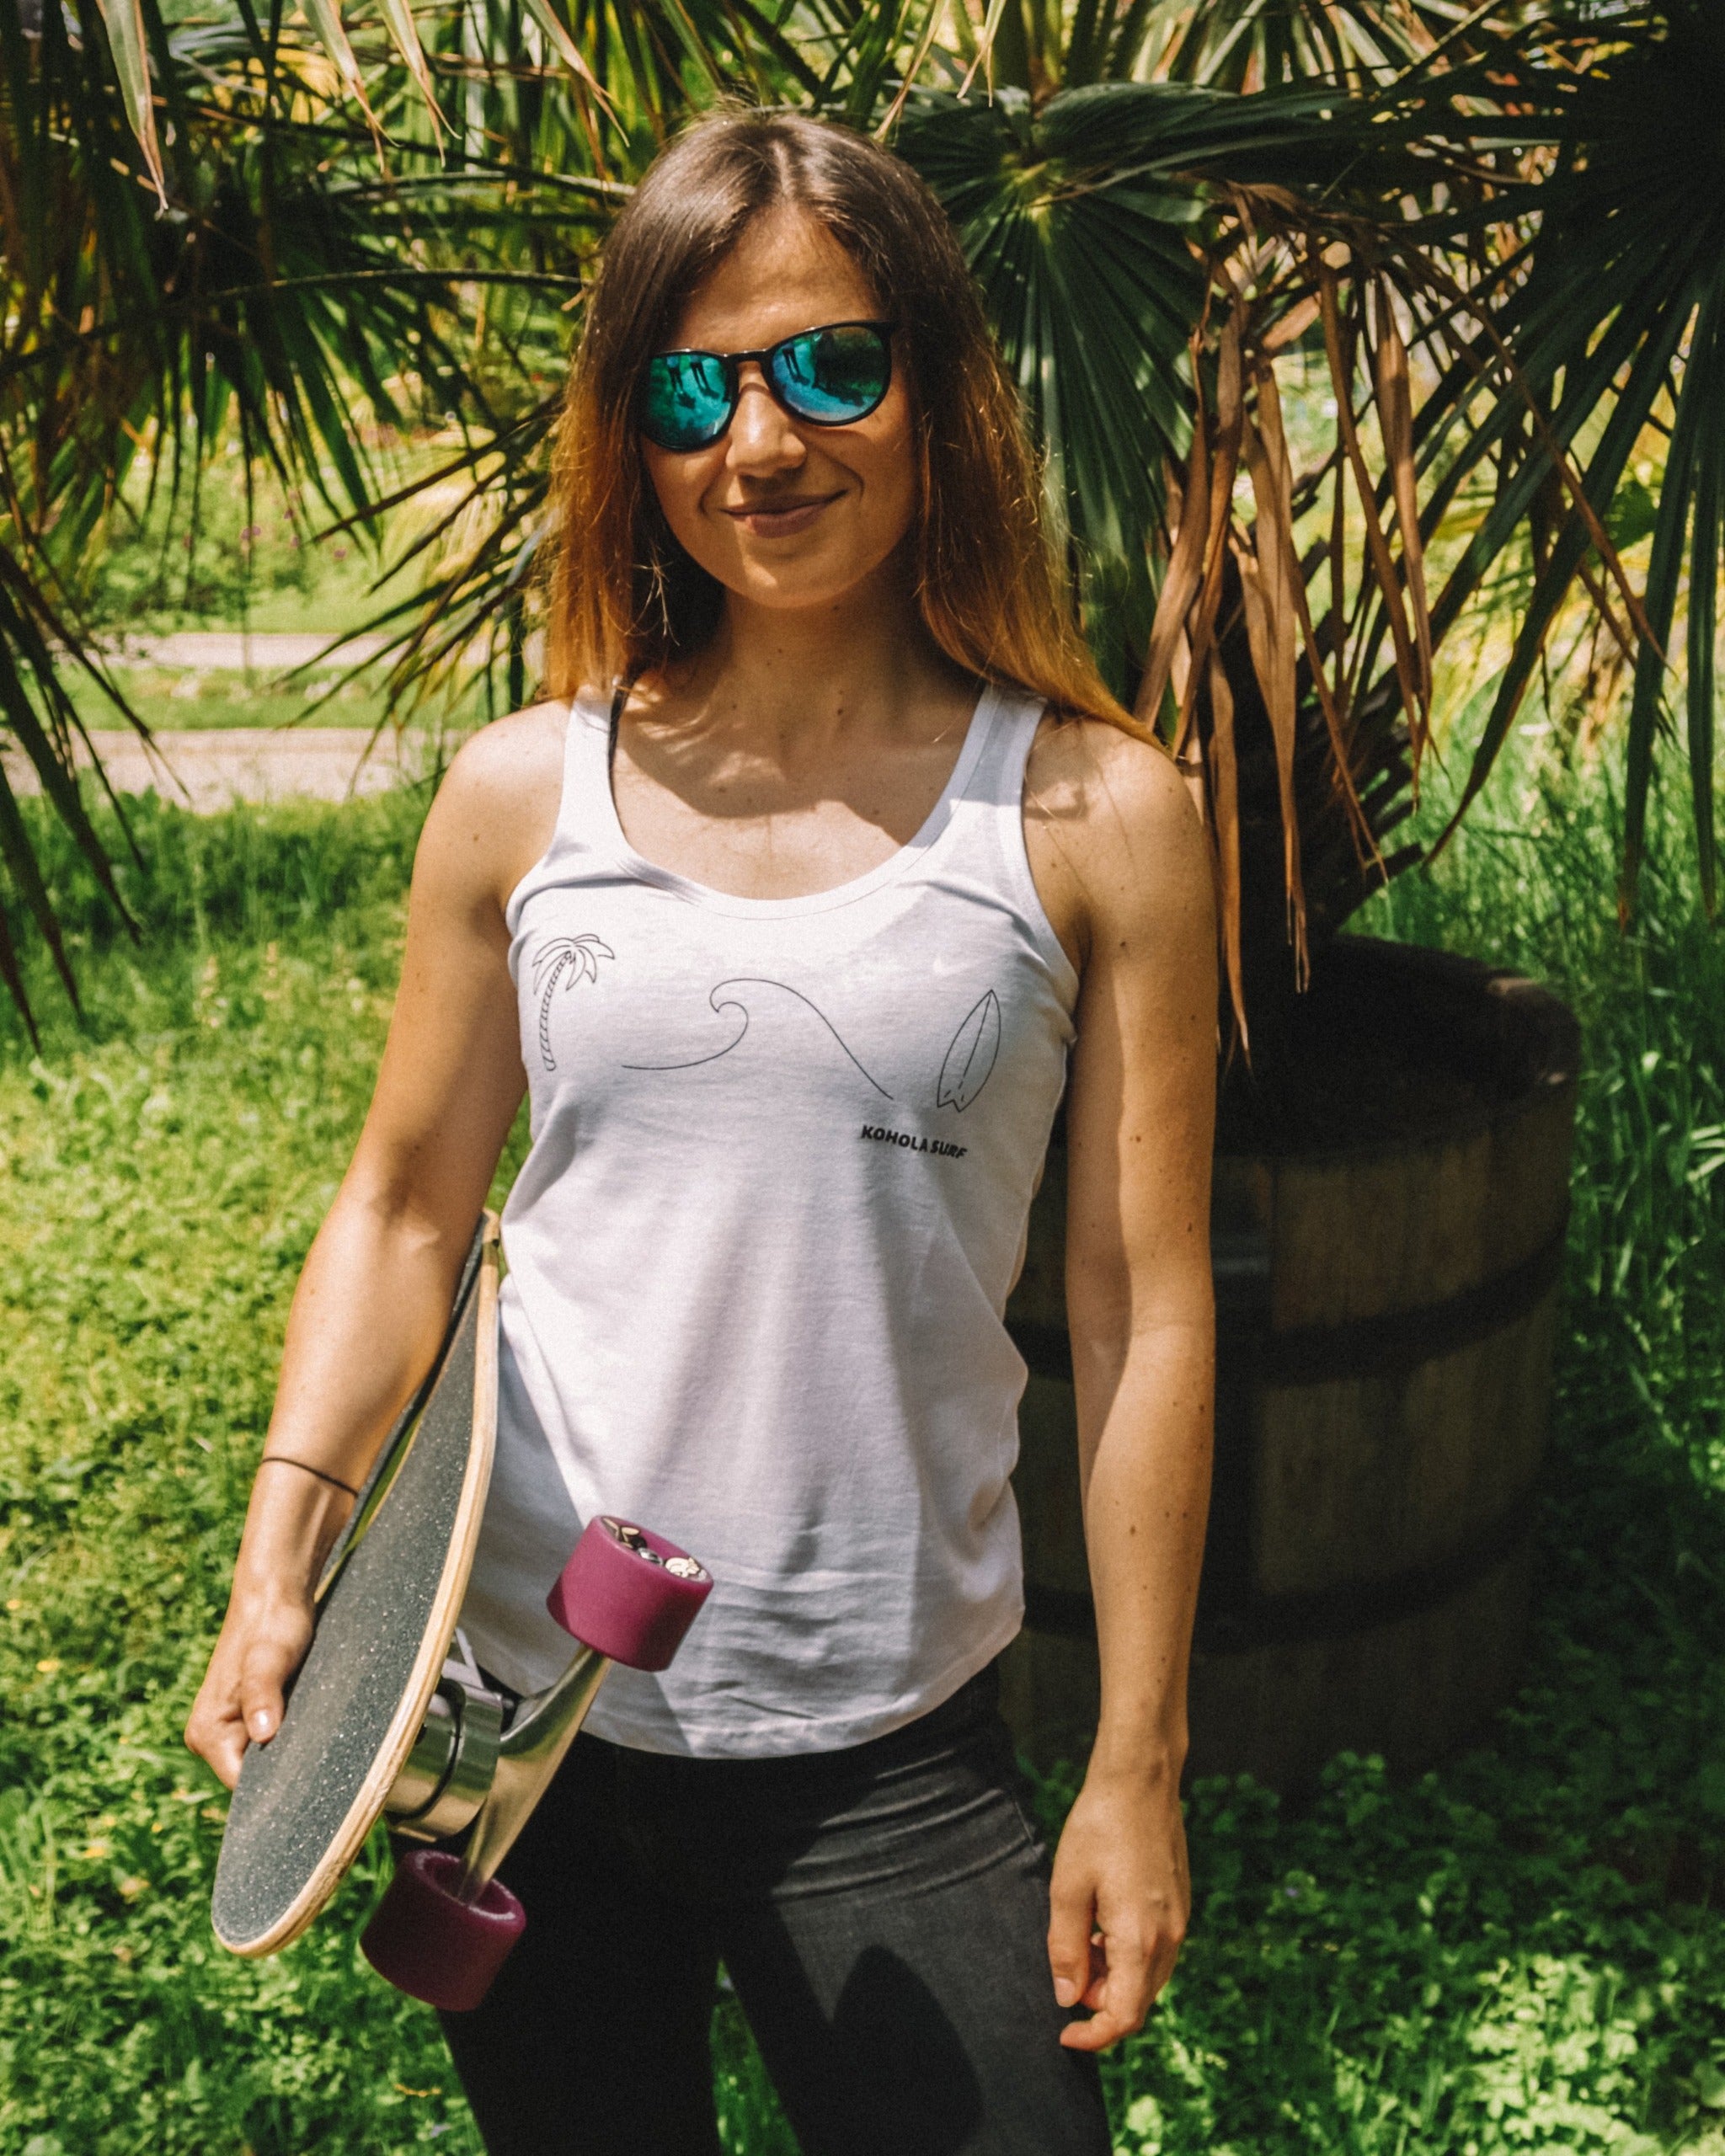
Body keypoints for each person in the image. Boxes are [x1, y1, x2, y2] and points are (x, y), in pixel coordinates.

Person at [186, 109, 1216, 2156]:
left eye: (831, 363)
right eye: (692, 386)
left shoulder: (1099, 815)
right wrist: (282, 1552)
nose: (763, 440)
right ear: (635, 438)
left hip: (888, 1734)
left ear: (935, 389)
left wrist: (1135, 1761)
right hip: (512, 1725)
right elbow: (403, 1205)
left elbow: (1143, 1309)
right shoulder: (517, 794)